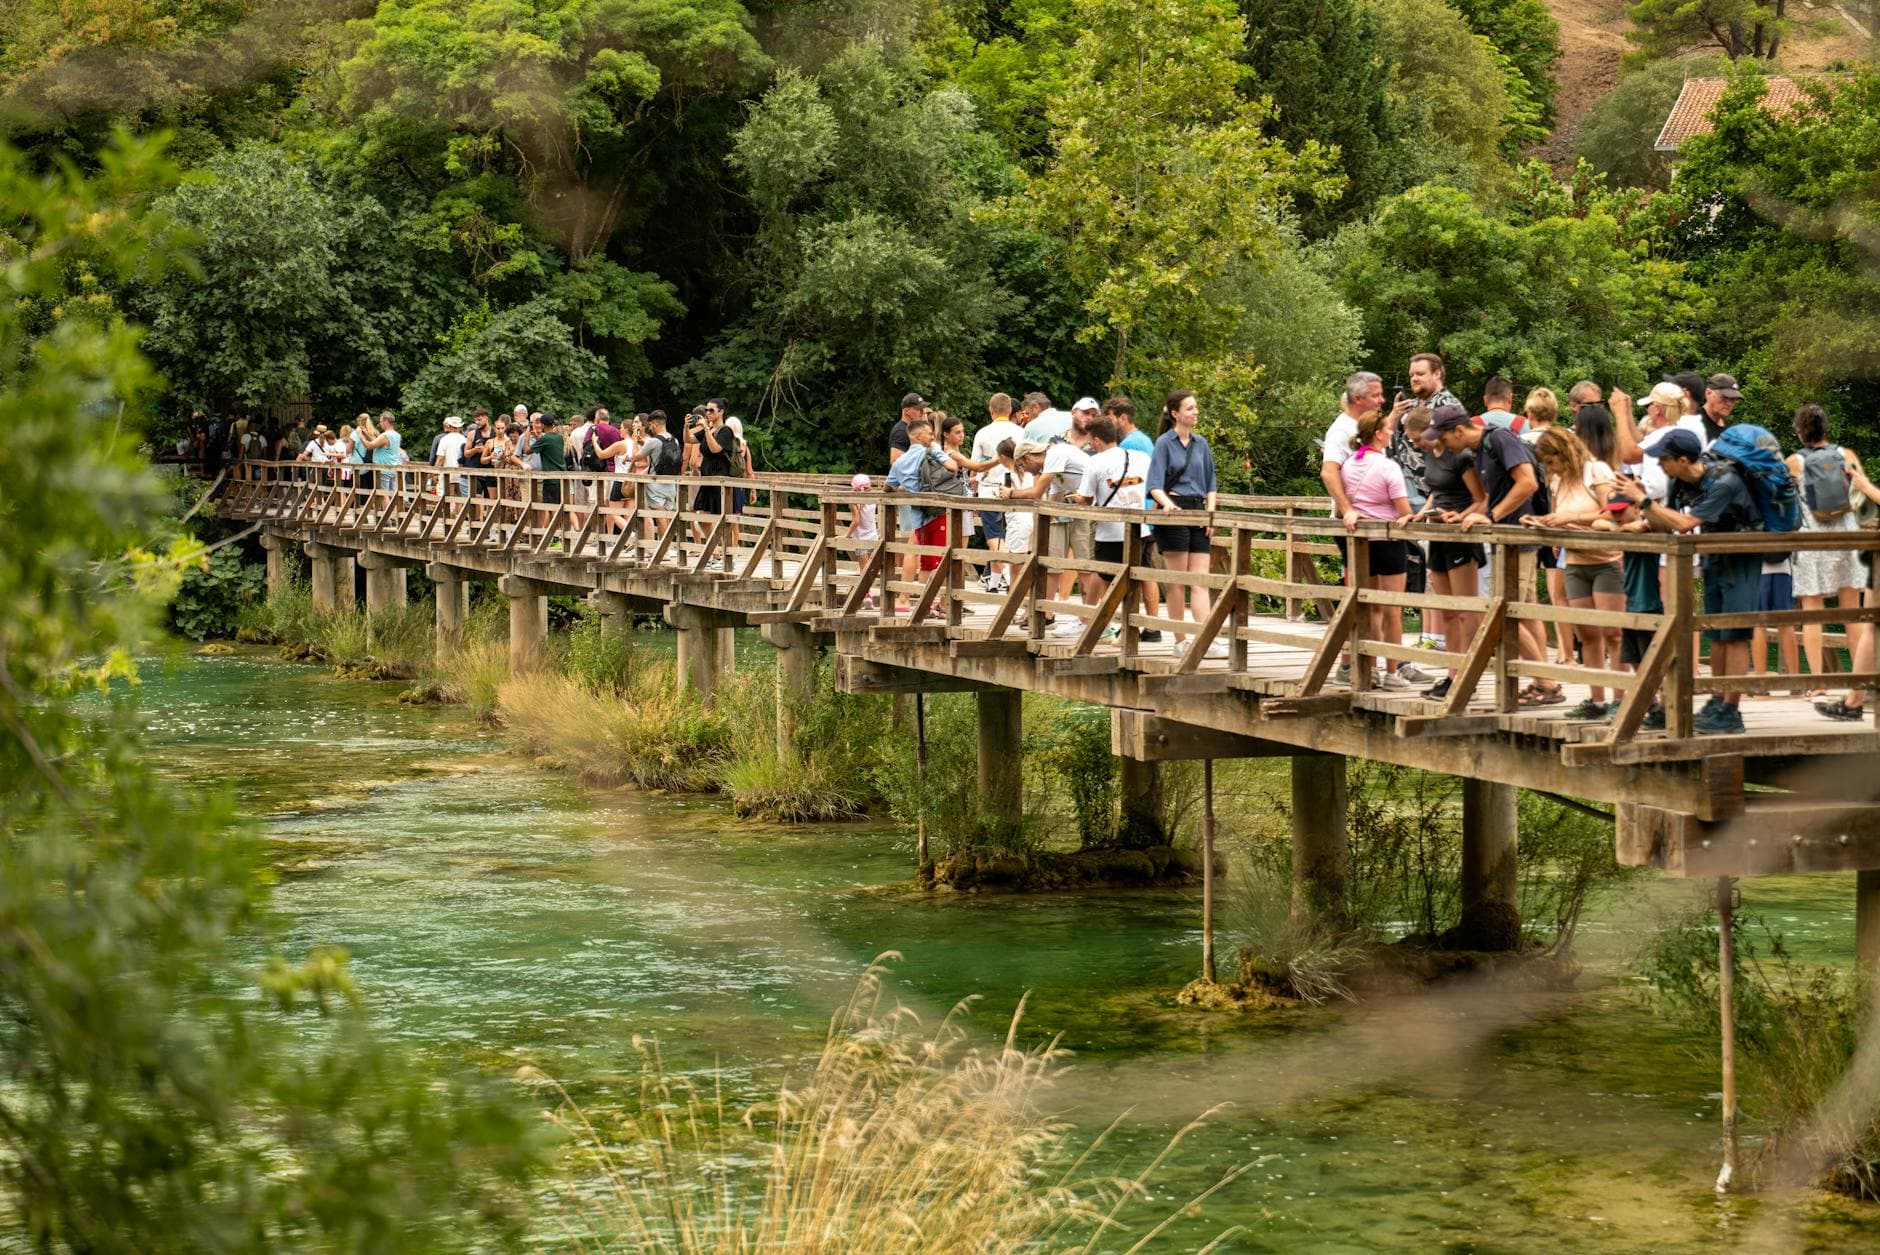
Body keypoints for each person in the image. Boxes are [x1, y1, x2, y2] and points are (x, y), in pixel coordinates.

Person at [1630, 427, 1757, 735]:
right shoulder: (1680, 481)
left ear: (1683, 460)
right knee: (1716, 633)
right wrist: (1639, 526)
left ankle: (1731, 709)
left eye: (1664, 459)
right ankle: (1717, 700)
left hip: (1742, 559)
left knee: (1735, 633)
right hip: (1715, 556)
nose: (1659, 464)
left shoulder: (1724, 482)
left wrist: (1645, 502)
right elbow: (1666, 522)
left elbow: (1685, 524)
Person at [1430, 406, 1559, 704]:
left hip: (1517, 538)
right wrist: (1464, 514)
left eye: (1445, 439)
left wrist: (1493, 516)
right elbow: (1490, 497)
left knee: (1504, 611)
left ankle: (1547, 684)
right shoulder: (1480, 451)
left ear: (1459, 431)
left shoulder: (1499, 438)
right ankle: (1541, 682)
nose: (1443, 446)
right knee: (1520, 611)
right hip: (1507, 538)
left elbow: (1528, 482)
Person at [1524, 427, 1622, 718]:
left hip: (1607, 561)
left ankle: (1620, 698)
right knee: (1588, 634)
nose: (1550, 469)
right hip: (1575, 562)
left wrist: (1572, 517)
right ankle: (1597, 700)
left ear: (1565, 453)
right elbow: (1561, 517)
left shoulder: (1597, 471)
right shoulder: (1557, 482)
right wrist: (1544, 523)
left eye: (1552, 462)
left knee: (1613, 633)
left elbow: (1614, 512)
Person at [1787, 403, 1868, 711]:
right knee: (1852, 611)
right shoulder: (1846, 455)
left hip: (1812, 540)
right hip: (1847, 536)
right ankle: (1858, 682)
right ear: (1826, 429)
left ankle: (1819, 681)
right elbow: (1860, 495)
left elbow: (1783, 501)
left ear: (1799, 430)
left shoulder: (1794, 462)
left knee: (1812, 611)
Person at [1409, 406, 1486, 700]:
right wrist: (1423, 513)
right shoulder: (1431, 455)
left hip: (1461, 536)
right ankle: (1452, 674)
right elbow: (1435, 490)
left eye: (1419, 440)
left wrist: (1459, 516)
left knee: (1467, 611)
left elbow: (1481, 500)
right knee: (1448, 612)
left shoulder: (1461, 455)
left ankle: (1470, 678)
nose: (1417, 445)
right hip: (1438, 533)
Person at [1340, 408, 1414, 687]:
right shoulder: (1387, 467)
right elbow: (1403, 509)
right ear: (1379, 434)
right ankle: (1392, 672)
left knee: (1370, 610)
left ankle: (1369, 669)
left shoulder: (1349, 465)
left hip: (1361, 545)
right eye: (1389, 429)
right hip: (1388, 542)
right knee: (1392, 609)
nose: (1392, 433)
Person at [1147, 390, 1221, 656]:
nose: (1195, 412)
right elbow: (1154, 484)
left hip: (1199, 510)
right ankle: (1180, 641)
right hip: (1175, 511)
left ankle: (1205, 639)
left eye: (1196, 408)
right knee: (1177, 581)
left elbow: (1211, 482)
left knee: (1200, 580)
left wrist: (1210, 513)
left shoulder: (1201, 444)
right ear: (1175, 413)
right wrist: (1167, 504)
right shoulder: (1164, 443)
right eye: (1189, 408)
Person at [1069, 414, 1151, 641]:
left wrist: (1075, 498)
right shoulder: (1141, 458)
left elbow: (1085, 498)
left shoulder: (1095, 462)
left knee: (1107, 579)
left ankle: (1105, 626)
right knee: (1141, 577)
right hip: (1140, 529)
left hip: (1111, 532)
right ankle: (1147, 628)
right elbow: (1151, 486)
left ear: (1096, 441)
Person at [886, 414, 968, 616]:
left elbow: (889, 487)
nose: (932, 437)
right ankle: (938, 605)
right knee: (940, 560)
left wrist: (906, 489)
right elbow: (952, 467)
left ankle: (924, 603)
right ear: (919, 435)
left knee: (926, 560)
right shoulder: (931, 451)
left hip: (918, 516)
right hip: (938, 512)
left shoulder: (899, 462)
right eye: (930, 434)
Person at [888, 392, 927, 468]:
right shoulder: (901, 431)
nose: (923, 413)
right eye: (920, 410)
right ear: (907, 411)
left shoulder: (910, 429)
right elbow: (895, 462)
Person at [433, 415, 468, 497]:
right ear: (460, 427)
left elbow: (440, 459)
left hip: (447, 475)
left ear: (450, 426)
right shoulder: (464, 440)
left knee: (446, 501)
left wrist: (435, 473)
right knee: (460, 501)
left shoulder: (444, 440)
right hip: (462, 475)